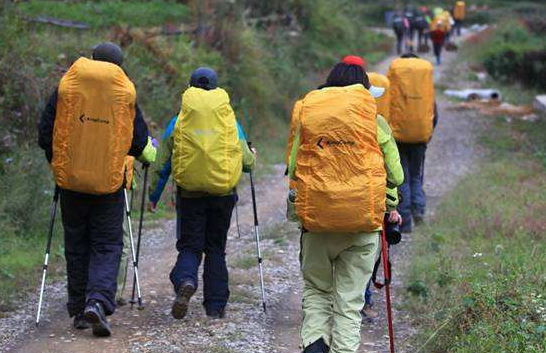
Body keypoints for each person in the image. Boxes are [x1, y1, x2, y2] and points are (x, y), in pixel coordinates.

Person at [38, 42, 156, 337]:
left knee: (77, 245)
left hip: (71, 183)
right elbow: (138, 142)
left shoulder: (67, 86)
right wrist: (144, 156)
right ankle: (98, 302)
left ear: (92, 59)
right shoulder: (124, 93)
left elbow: (45, 133)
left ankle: (79, 310)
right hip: (108, 185)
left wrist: (59, 163)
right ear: (119, 65)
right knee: (106, 244)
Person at [287, 55, 403, 353]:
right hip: (362, 225)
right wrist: (389, 203)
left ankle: (314, 345)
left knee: (316, 291)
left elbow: (293, 167)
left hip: (317, 224)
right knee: (349, 306)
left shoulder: (310, 116)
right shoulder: (374, 122)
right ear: (364, 91)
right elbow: (396, 175)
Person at [148, 67, 256, 320]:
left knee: (190, 246)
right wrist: (253, 157)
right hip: (223, 195)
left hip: (190, 195)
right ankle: (215, 307)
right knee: (216, 248)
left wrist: (154, 196)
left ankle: (186, 280)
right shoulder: (230, 120)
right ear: (217, 89)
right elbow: (248, 162)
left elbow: (163, 163)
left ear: (189, 88)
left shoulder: (179, 121)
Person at [387, 54, 437, 233]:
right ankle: (419, 211)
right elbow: (433, 113)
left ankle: (405, 221)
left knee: (403, 178)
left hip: (398, 138)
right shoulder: (424, 87)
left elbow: (388, 108)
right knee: (416, 176)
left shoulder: (395, 80)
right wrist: (427, 135)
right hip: (420, 139)